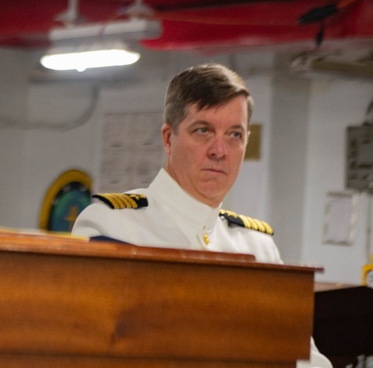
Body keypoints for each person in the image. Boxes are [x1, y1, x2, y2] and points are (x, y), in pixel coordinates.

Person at [72, 62, 331, 368]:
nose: (219, 150)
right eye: (203, 130)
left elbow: (304, 358)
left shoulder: (258, 247)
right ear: (169, 139)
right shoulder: (111, 225)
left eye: (235, 134)